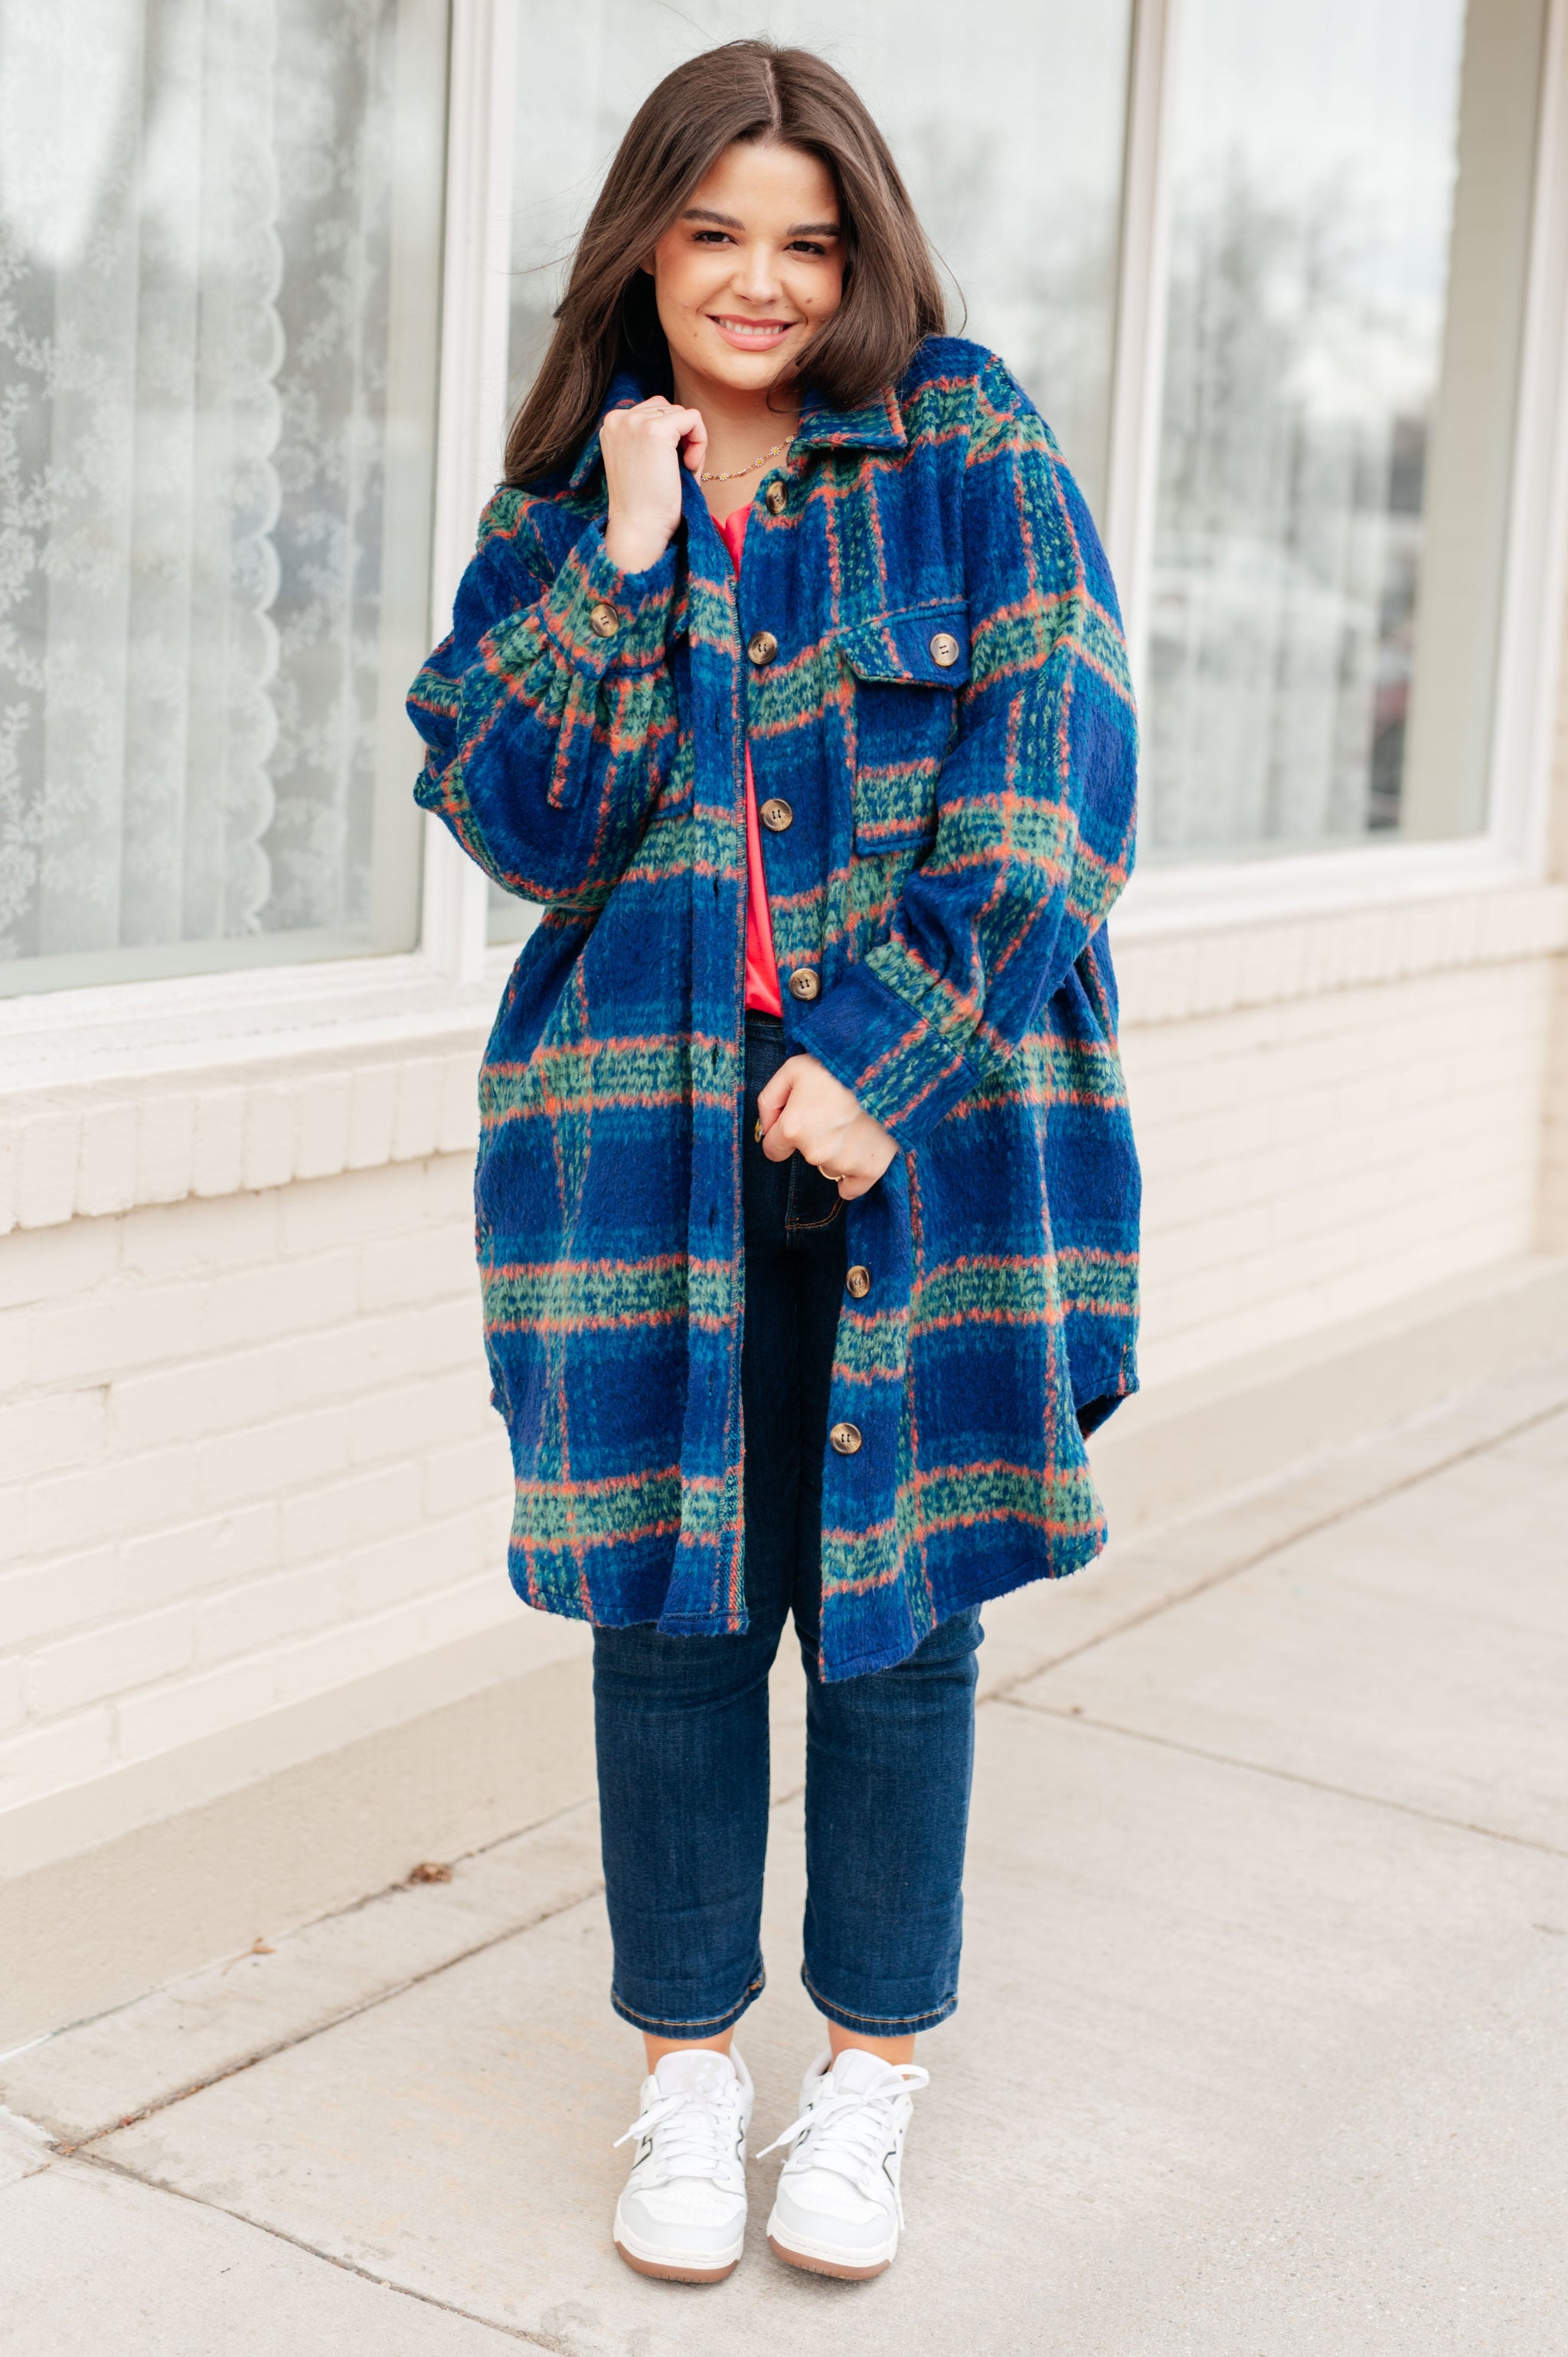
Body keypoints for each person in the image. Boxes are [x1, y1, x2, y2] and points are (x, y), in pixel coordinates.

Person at [409, 38, 1139, 2287]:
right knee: (673, 1616)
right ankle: (686, 2079)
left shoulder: (964, 442)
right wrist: (629, 558)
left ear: (862, 255)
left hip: (927, 1138)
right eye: (714, 233)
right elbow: (521, 818)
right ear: (642, 247)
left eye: (808, 242)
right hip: (639, 1140)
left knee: (898, 1617)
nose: (761, 281)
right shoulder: (563, 512)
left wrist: (882, 1053)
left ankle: (870, 2080)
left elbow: (1061, 773)